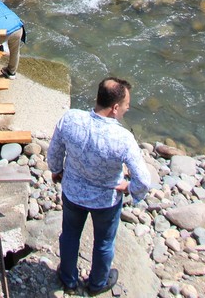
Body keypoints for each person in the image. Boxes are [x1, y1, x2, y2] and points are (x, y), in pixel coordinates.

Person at [46, 77, 151, 296]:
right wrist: (130, 188)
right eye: (125, 106)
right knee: (103, 243)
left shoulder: (71, 119)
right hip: (106, 200)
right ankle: (97, 283)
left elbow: (54, 152)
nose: (126, 109)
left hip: (73, 193)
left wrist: (57, 171)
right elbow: (144, 179)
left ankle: (68, 278)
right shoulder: (123, 138)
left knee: (70, 235)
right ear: (114, 108)